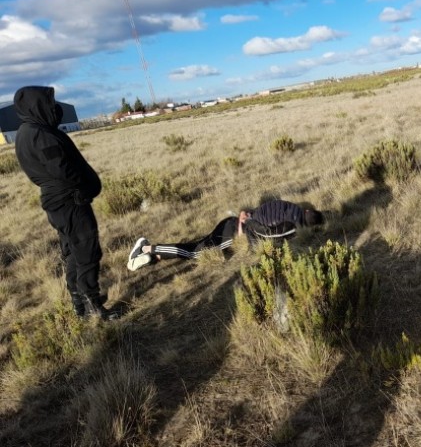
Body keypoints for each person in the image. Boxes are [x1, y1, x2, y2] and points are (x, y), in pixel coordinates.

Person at [14, 86, 115, 320]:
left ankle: (78, 301)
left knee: (72, 251)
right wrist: (83, 187)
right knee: (87, 251)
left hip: (57, 202)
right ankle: (93, 307)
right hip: (69, 201)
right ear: (36, 105)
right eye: (49, 102)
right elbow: (63, 170)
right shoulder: (39, 135)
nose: (54, 107)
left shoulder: (27, 131)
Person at [127, 199, 325, 270]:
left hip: (232, 223)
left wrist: (244, 217)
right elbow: (266, 232)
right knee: (195, 253)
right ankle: (145, 248)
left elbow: (264, 210)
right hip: (233, 233)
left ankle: (153, 258)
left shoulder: (290, 206)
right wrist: (245, 228)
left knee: (195, 246)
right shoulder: (292, 225)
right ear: (307, 225)